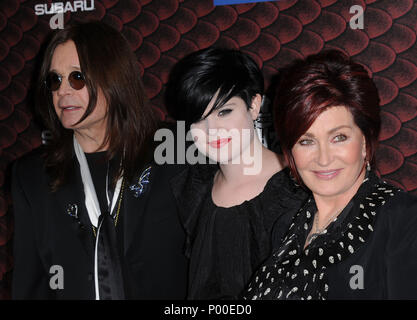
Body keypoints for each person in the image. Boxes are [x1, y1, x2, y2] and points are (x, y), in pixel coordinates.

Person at [11, 21, 188, 299]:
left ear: (113, 78)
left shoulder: (177, 151)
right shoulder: (31, 175)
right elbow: (29, 284)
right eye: (54, 80)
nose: (63, 91)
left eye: (77, 78)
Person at [242, 50, 417, 300]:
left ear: (366, 141)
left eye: (339, 138)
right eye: (306, 141)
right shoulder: (286, 225)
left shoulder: (404, 222)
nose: (323, 159)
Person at [166, 48, 308, 299]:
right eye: (199, 119)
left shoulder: (299, 189)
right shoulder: (192, 189)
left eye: (224, 112)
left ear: (254, 105)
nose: (212, 130)